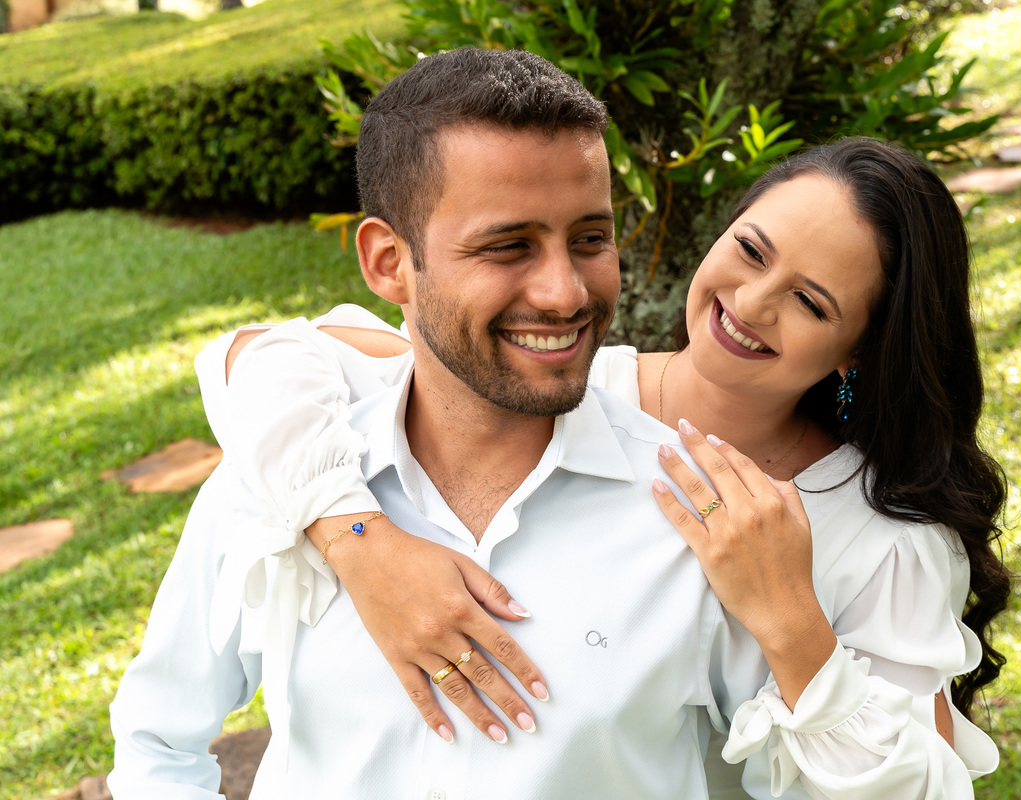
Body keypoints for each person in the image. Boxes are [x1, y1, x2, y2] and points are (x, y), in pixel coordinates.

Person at [109, 48, 968, 800]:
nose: (563, 293)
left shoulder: (716, 538)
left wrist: (792, 624)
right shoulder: (296, 464)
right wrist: (355, 534)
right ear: (388, 262)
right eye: (508, 245)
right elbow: (155, 742)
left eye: (589, 239)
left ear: (859, 347)